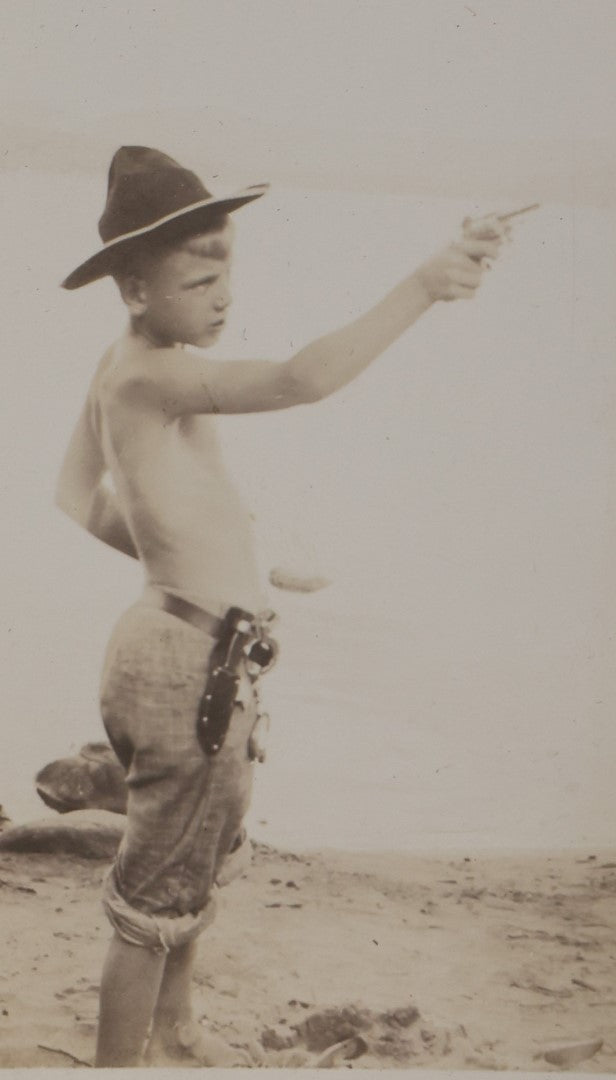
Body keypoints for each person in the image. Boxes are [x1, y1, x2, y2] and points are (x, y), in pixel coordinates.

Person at [56, 145, 506, 1067]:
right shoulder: (151, 372)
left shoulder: (126, 366)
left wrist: (223, 564)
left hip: (185, 648)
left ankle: (177, 1034)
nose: (224, 292)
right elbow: (304, 379)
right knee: (152, 905)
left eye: (230, 268)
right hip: (186, 666)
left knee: (195, 863)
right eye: (200, 275)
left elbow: (81, 498)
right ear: (135, 287)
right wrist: (425, 284)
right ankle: (117, 1066)